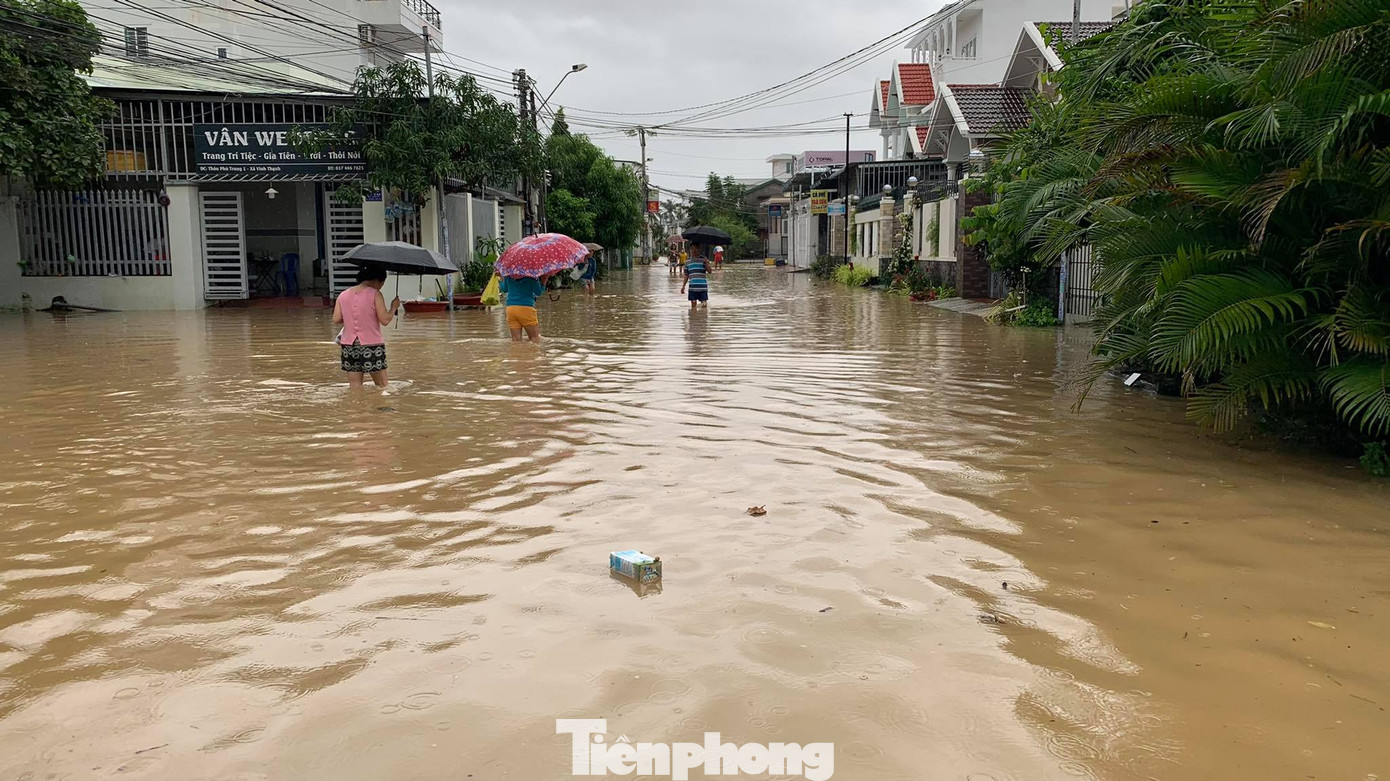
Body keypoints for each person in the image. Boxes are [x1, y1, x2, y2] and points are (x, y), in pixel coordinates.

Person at [332, 266, 398, 388]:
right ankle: (383, 407)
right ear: (377, 280)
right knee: (382, 385)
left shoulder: (343, 295)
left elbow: (336, 319)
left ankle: (357, 406)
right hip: (371, 345)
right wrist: (393, 307)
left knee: (355, 385)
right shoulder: (375, 294)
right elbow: (385, 320)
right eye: (382, 283)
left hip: (348, 346)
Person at [500, 274, 547, 343]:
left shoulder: (508, 275)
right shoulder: (531, 276)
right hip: (526, 308)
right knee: (535, 338)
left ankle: (516, 353)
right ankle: (532, 354)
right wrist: (544, 280)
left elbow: (504, 289)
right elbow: (538, 292)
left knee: (516, 340)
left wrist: (501, 277)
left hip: (511, 309)